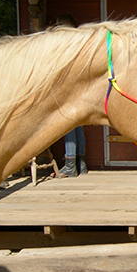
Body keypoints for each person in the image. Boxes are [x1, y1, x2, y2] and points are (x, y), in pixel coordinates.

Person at [54, 14, 88, 178]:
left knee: (68, 124)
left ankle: (70, 165)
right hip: (80, 87)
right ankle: (81, 163)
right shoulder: (80, 44)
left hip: (68, 87)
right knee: (77, 125)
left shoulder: (65, 46)